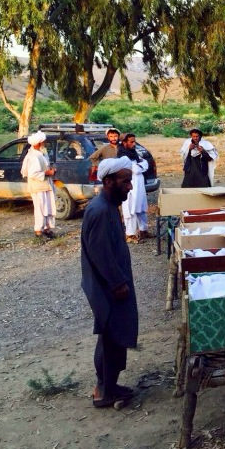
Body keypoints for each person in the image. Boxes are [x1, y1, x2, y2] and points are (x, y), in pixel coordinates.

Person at [81, 156, 139, 408]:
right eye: (125, 181)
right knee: (111, 337)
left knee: (114, 335)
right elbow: (101, 254)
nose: (130, 186)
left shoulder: (107, 206)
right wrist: (117, 283)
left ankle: (108, 386)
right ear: (108, 181)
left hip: (112, 286)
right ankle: (104, 392)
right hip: (108, 288)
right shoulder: (101, 211)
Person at [21, 131, 56, 238]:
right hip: (38, 187)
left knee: (48, 207)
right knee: (40, 208)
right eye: (43, 141)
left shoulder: (41, 153)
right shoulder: (32, 156)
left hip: (46, 185)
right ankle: (38, 231)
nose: (44, 143)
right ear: (38, 143)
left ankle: (47, 228)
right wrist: (48, 172)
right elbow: (31, 173)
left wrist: (51, 170)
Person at [118, 134, 150, 243]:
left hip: (139, 185)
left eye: (134, 141)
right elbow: (136, 169)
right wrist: (141, 166)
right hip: (129, 186)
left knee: (141, 208)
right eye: (131, 142)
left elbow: (146, 163)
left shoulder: (133, 153)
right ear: (124, 143)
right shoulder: (122, 156)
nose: (134, 144)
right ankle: (130, 235)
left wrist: (140, 166)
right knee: (130, 210)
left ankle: (143, 231)